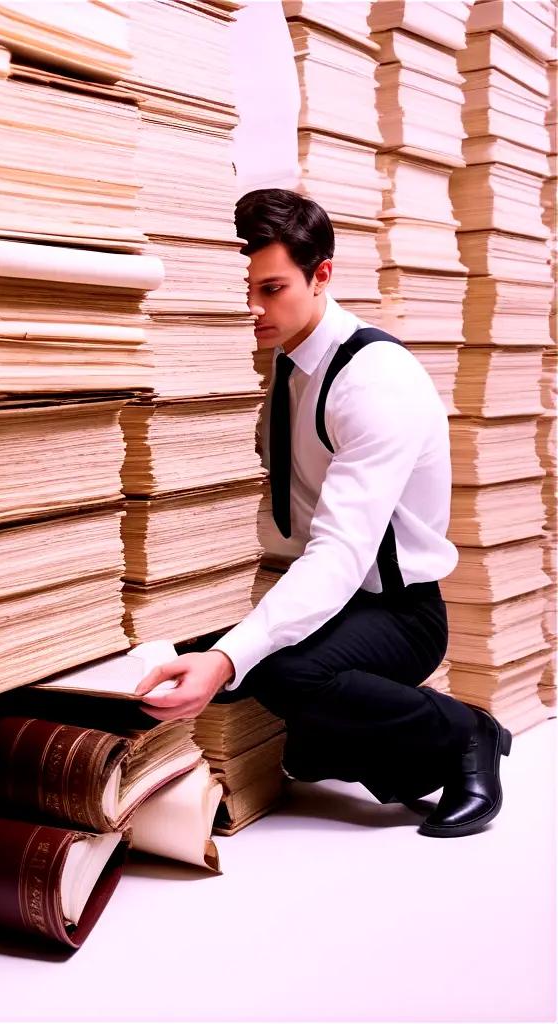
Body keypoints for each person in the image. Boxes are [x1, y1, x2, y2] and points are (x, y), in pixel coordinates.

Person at [135, 188, 512, 839]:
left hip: (399, 609)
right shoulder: (284, 365)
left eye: (273, 288)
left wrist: (230, 658)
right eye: (245, 289)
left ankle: (465, 733)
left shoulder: (373, 382)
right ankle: (329, 744)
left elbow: (341, 554)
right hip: (333, 595)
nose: (255, 308)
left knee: (280, 670)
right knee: (270, 703)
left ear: (322, 274)